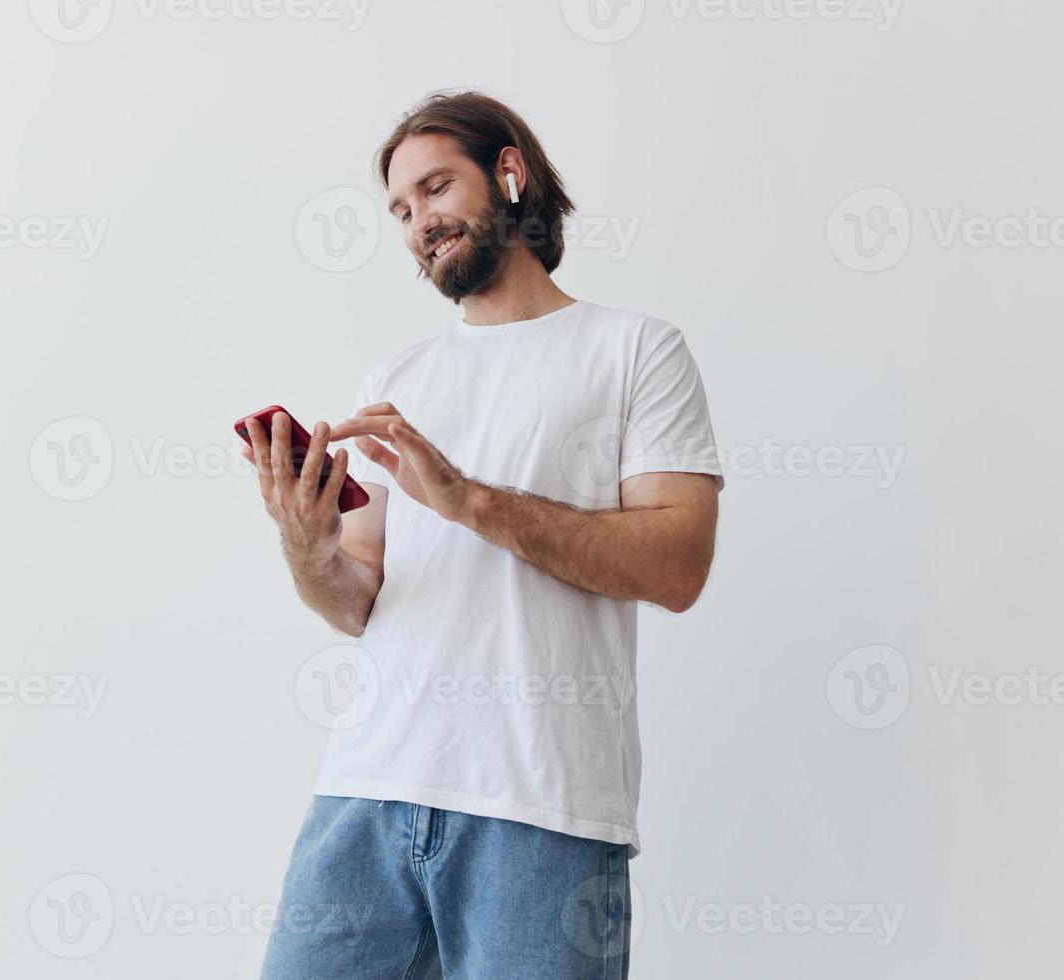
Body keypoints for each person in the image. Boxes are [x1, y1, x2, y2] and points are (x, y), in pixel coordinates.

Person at [244, 89, 724, 980]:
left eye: (435, 189)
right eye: (400, 209)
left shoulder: (635, 351)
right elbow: (357, 598)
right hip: (366, 793)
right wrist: (306, 544)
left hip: (542, 813)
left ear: (510, 174)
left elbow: (679, 565)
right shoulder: (400, 376)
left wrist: (467, 500)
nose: (419, 223)